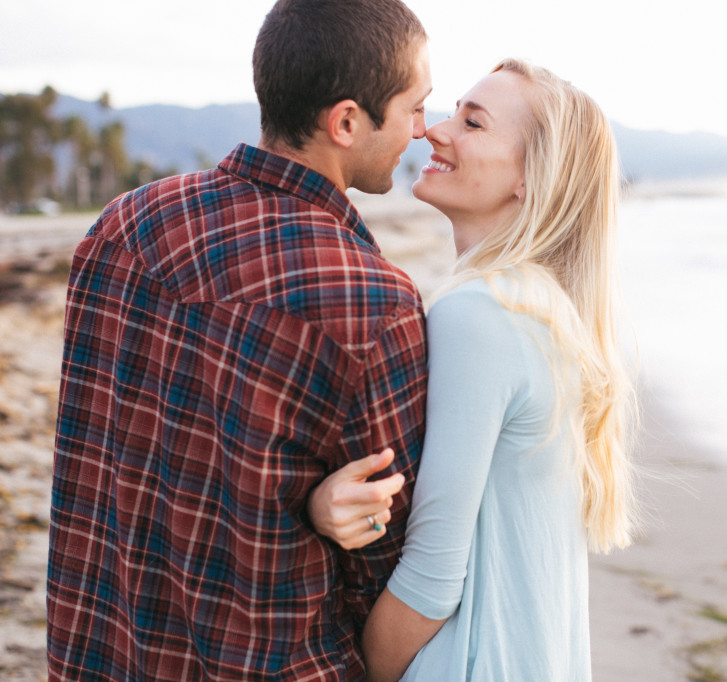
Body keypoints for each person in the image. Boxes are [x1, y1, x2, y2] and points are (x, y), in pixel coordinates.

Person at [46, 0, 432, 678]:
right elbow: (390, 569)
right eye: (414, 108)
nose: (424, 131)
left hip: (103, 655)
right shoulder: (373, 306)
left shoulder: (122, 227)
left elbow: (92, 456)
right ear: (346, 122)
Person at [319, 59, 638, 681]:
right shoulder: (547, 310)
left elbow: (433, 574)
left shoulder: (479, 314)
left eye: (472, 122)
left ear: (528, 177)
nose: (436, 131)